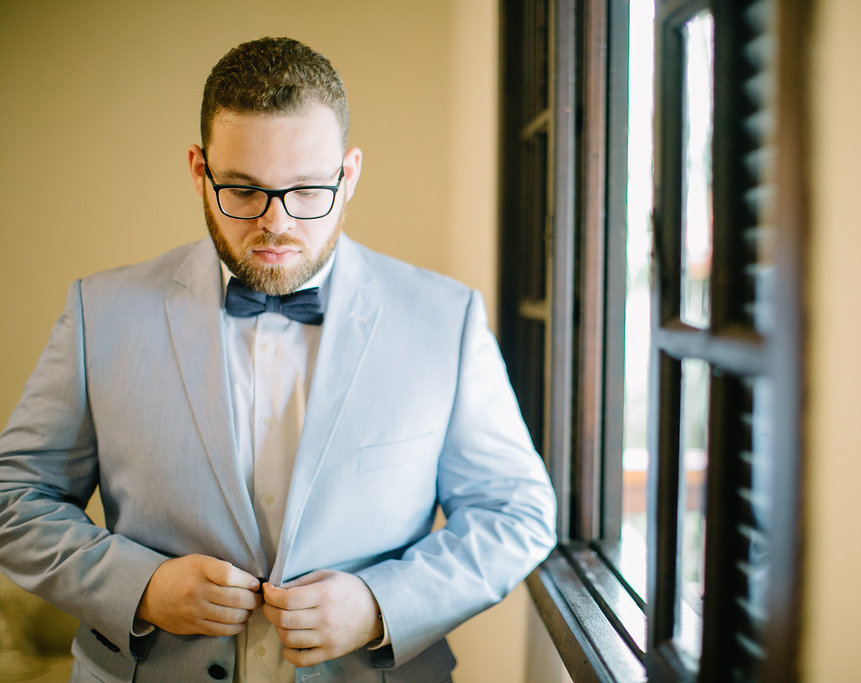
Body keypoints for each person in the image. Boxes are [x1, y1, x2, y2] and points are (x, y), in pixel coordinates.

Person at [0, 36, 556, 683]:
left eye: (306, 190)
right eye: (242, 190)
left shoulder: (446, 320)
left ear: (348, 175)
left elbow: (516, 512)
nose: (275, 223)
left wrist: (381, 606)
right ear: (197, 170)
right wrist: (141, 587)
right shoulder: (101, 313)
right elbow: (15, 499)